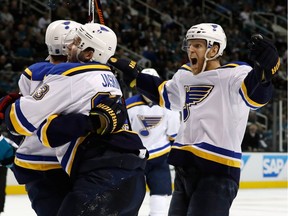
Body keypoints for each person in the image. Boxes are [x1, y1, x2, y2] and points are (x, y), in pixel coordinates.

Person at [108, 23, 280, 216]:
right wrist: (136, 77)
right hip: (185, 171)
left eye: (198, 45)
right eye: (190, 44)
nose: (191, 49)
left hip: (218, 171)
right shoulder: (184, 76)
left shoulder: (235, 74)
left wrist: (264, 75)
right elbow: (163, 93)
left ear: (214, 49)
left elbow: (257, 97)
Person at [4, 22, 148, 216]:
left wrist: (8, 108)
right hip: (133, 172)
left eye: (76, 42)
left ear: (89, 53)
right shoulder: (109, 75)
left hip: (96, 174)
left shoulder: (66, 74)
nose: (69, 46)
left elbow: (18, 122)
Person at [0, 20, 81, 216]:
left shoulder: (31, 72)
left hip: (34, 160)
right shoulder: (81, 73)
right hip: (70, 158)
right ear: (69, 44)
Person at [125, 68, 180, 216]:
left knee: (160, 200)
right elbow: (172, 135)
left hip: (156, 158)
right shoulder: (128, 106)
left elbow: (173, 135)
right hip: (138, 158)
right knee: (129, 199)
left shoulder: (170, 106)